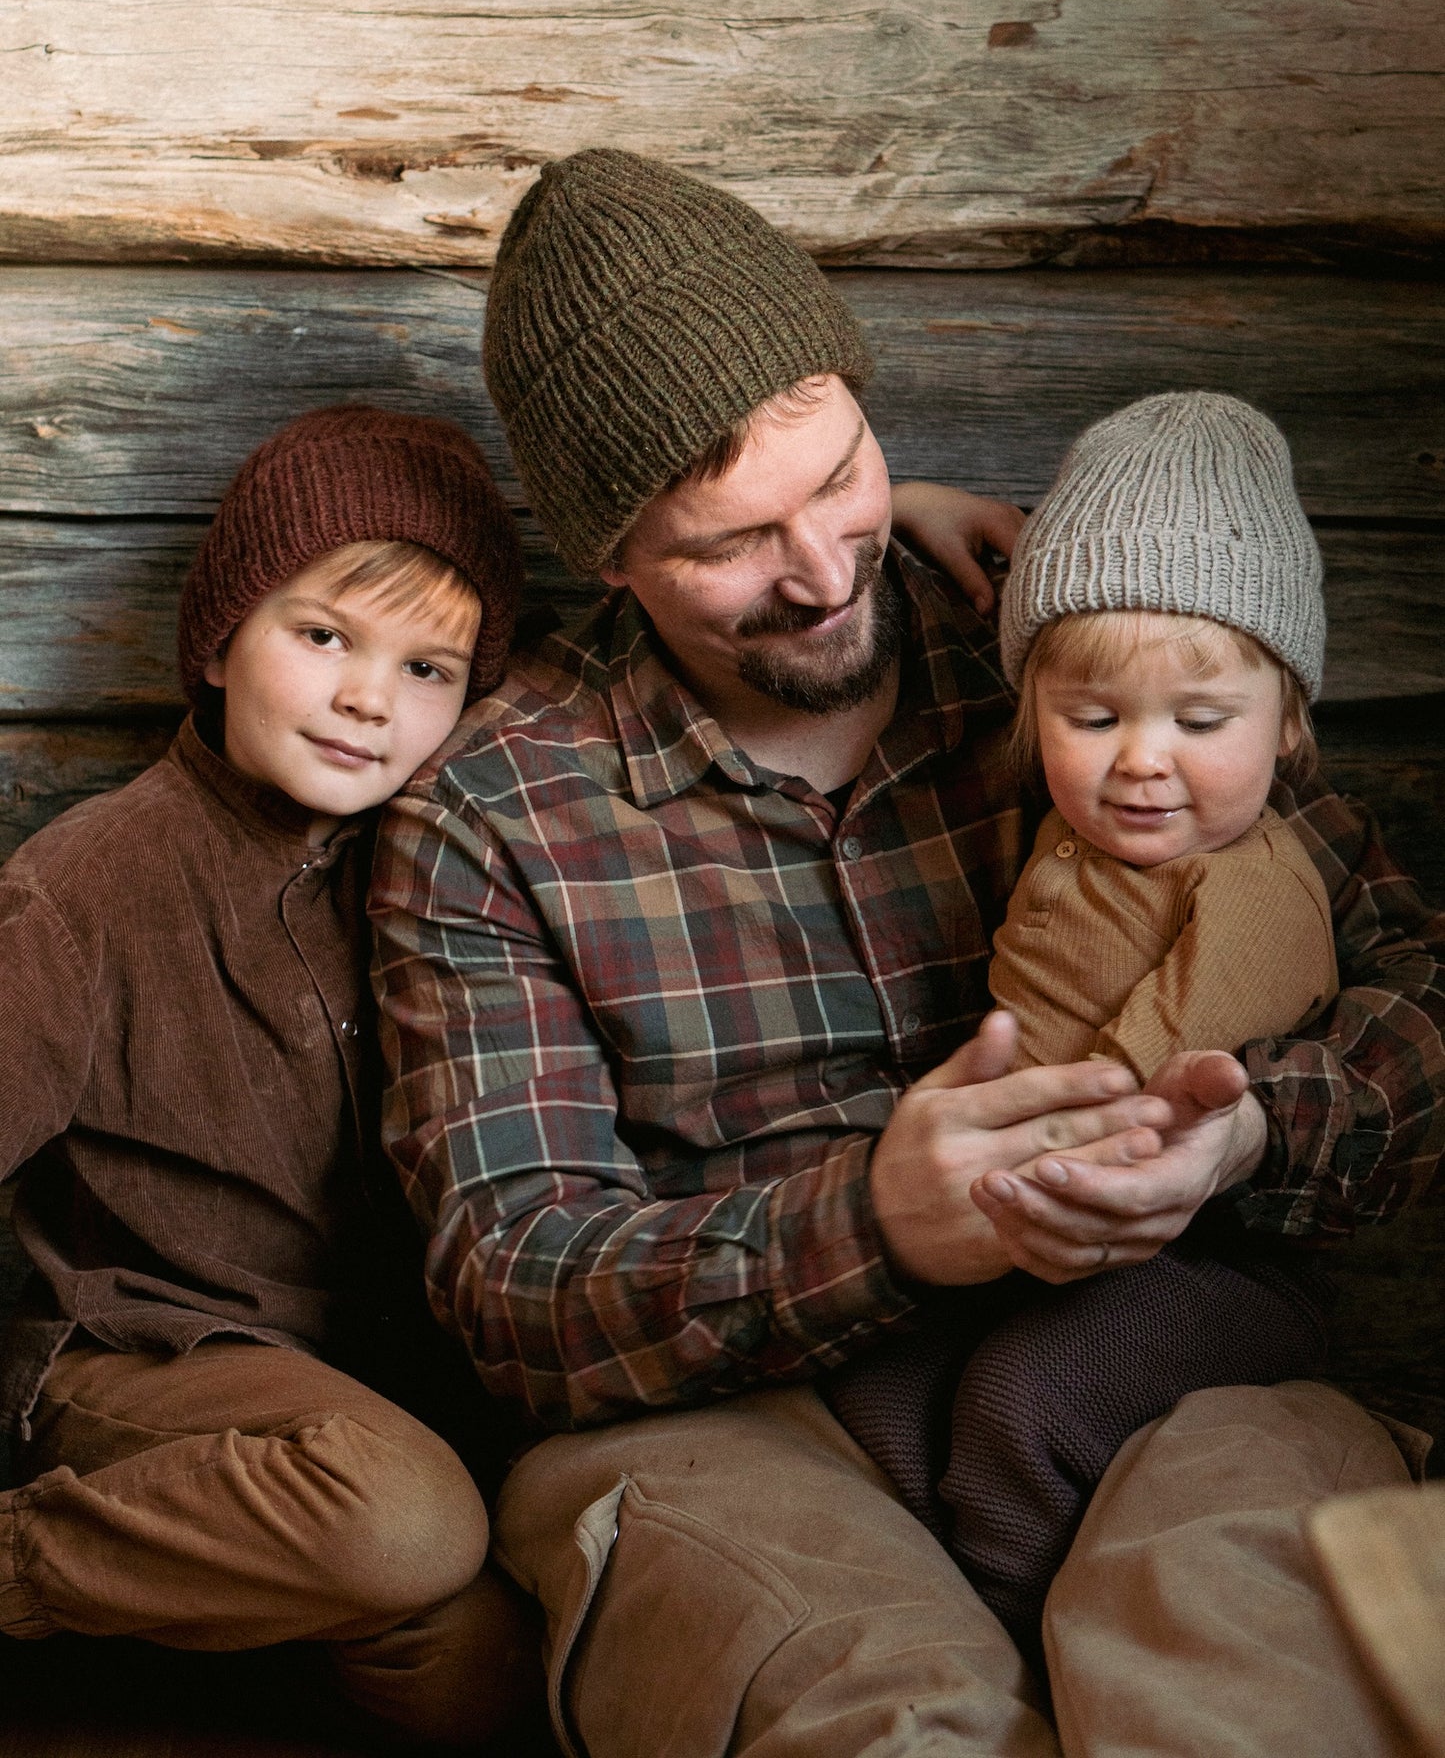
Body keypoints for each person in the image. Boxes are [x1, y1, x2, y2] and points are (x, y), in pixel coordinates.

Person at [371, 148, 1445, 1757]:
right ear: (605, 557)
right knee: (886, 1716)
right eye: (731, 542)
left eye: (841, 475)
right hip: (735, 1427)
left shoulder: (1074, 649)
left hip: (1162, 1366)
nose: (819, 572)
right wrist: (871, 1224)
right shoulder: (494, 811)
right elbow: (513, 1282)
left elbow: (1413, 992)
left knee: (1242, 1673)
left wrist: (1246, 1135)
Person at [0, 406, 543, 1748]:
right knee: (405, 1520)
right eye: (323, 637)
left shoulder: (441, 867)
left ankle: (206, 1664)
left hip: (350, 1410)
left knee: (495, 1661)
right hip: (133, 1367)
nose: (372, 699)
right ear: (222, 637)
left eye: (430, 669)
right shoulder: (89, 886)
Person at [826, 390, 1341, 1663]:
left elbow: (1150, 1079)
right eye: (1092, 717)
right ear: (1030, 710)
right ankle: (941, 1650)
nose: (1140, 762)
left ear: (1288, 725)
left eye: (1199, 722)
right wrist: (891, 507)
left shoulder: (1252, 884)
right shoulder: (1069, 836)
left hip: (1203, 1257)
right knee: (878, 1398)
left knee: (1024, 1401)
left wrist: (1068, 1141)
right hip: (1028, 1219)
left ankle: (1025, 1650)